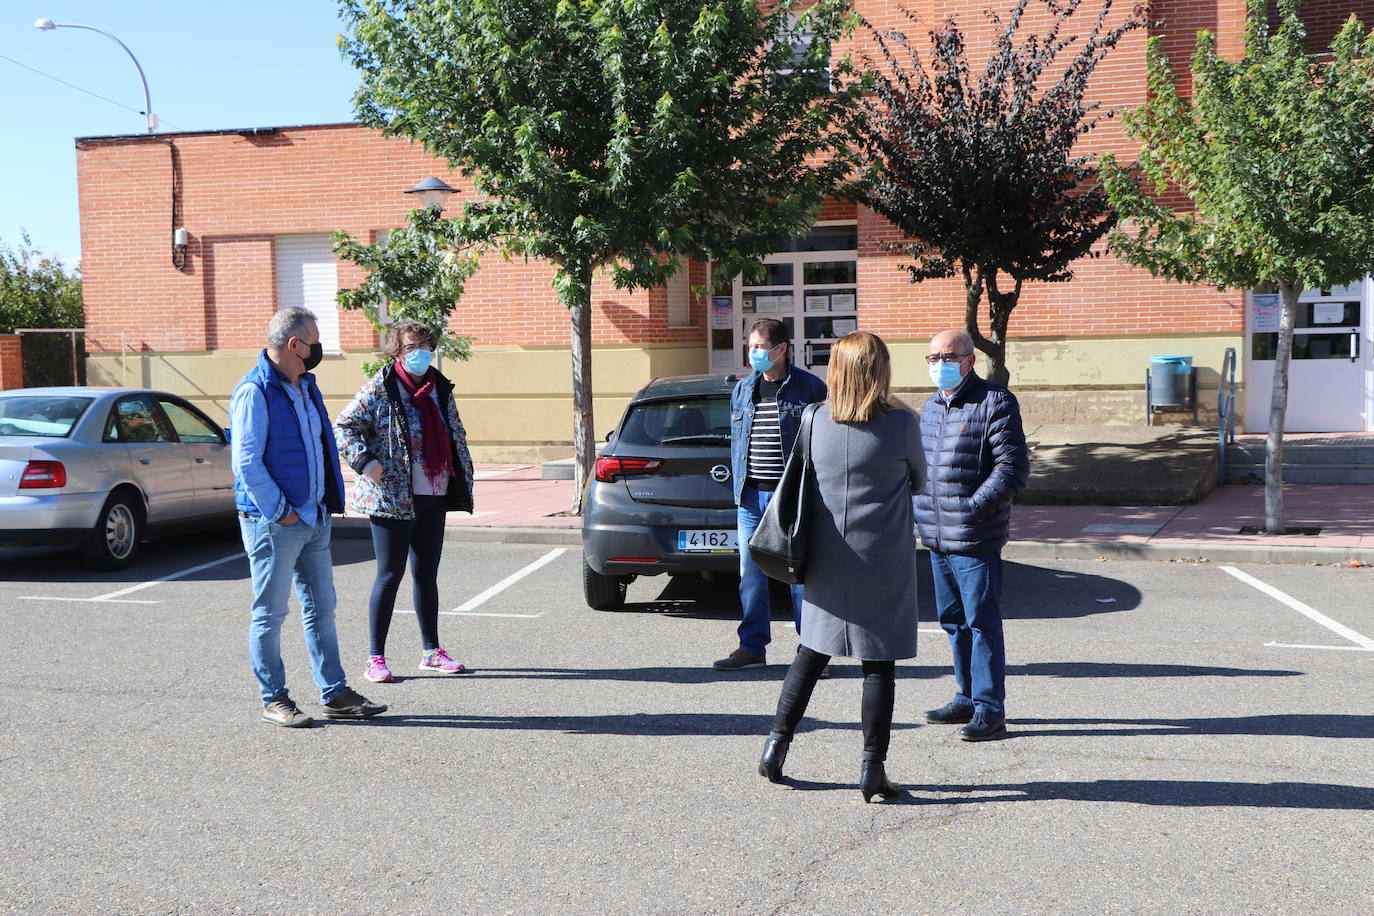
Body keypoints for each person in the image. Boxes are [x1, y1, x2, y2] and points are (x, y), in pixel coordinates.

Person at [756, 331, 925, 802]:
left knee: (810, 653)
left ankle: (776, 745)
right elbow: (918, 480)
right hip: (882, 560)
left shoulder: (812, 419)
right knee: (878, 666)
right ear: (880, 372)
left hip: (827, 556)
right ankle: (872, 769)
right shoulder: (901, 424)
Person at [231, 306, 387, 727]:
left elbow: (319, 444)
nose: (319, 348)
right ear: (293, 344)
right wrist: (280, 512)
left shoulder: (305, 386)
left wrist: (322, 506)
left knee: (322, 608)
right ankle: (274, 698)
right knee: (270, 613)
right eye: (314, 341)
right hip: (276, 522)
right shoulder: (255, 391)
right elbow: (246, 461)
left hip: (314, 517)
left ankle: (334, 694)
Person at [336, 319, 475, 684]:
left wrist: (459, 474)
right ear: (397, 351)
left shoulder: (439, 387)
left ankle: (431, 651)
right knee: (389, 574)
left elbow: (454, 433)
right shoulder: (380, 387)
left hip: (433, 491)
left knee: (426, 574)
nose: (420, 352)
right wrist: (367, 463)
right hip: (391, 496)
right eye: (412, 346)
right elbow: (344, 427)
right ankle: (375, 658)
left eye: (425, 345)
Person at [914, 329, 1029, 742]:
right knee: (952, 622)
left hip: (975, 537)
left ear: (969, 361)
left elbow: (1011, 469)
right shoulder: (930, 407)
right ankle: (965, 696)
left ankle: (989, 709)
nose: (939, 364)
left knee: (982, 623)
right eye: (932, 358)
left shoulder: (994, 400)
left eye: (948, 357)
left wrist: (971, 510)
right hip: (936, 536)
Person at [714, 318, 827, 671]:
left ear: (781, 349)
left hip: (791, 498)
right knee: (751, 575)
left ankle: (810, 653)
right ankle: (751, 648)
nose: (753, 353)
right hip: (750, 498)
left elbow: (823, 442)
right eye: (750, 346)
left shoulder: (810, 388)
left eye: (760, 347)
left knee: (797, 578)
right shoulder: (743, 389)